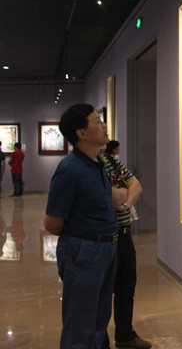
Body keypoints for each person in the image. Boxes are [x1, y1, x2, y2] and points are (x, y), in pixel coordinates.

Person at [44, 104, 126, 349]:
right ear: (81, 133)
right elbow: (52, 223)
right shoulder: (70, 170)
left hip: (106, 248)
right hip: (85, 251)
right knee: (80, 328)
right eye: (97, 121)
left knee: (98, 323)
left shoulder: (97, 164)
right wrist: (83, 236)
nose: (104, 125)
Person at [101, 140, 151, 349]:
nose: (103, 127)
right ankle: (100, 340)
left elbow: (136, 185)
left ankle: (125, 335)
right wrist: (122, 194)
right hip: (103, 238)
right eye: (98, 124)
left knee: (126, 288)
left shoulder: (113, 162)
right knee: (101, 292)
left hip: (124, 235)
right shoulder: (90, 164)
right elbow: (109, 196)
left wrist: (126, 203)